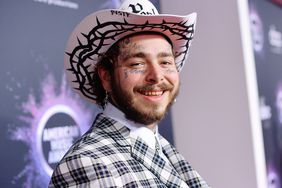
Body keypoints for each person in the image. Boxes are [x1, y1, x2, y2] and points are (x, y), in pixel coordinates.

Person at [49, 0, 209, 187]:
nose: (157, 76)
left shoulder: (161, 147)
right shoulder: (87, 162)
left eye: (165, 62)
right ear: (106, 77)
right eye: (137, 64)